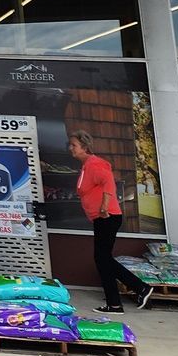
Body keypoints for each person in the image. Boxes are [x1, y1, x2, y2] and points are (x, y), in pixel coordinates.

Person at [70, 131, 144, 312]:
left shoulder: (94, 164)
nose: (70, 148)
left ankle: (126, 297)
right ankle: (127, 295)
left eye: (74, 145)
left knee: (102, 259)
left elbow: (109, 181)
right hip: (102, 218)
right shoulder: (87, 166)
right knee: (103, 259)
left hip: (107, 216)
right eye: (70, 145)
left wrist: (104, 206)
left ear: (84, 148)